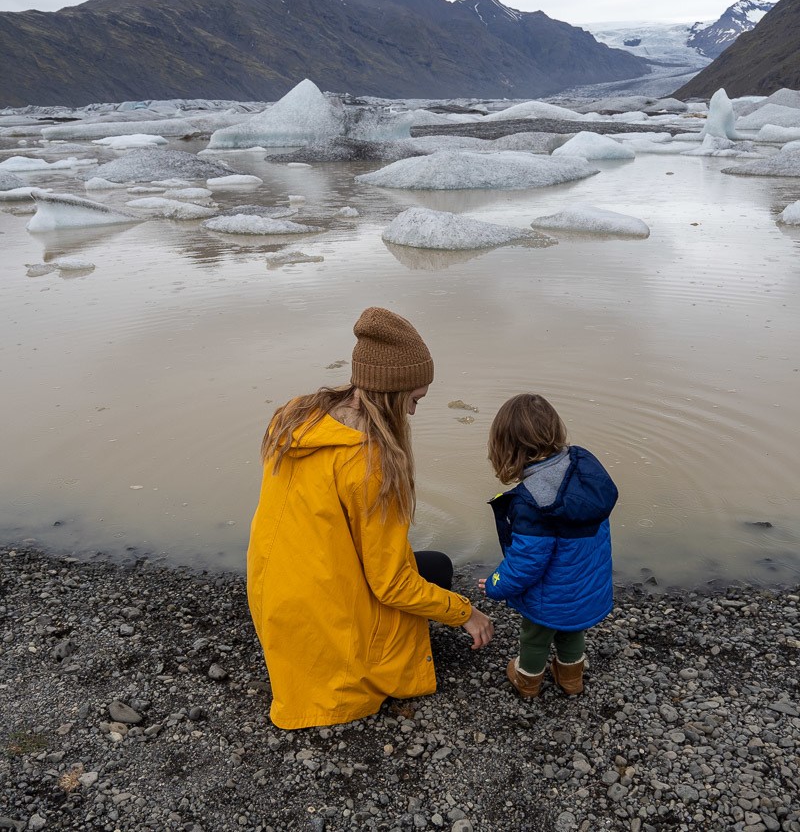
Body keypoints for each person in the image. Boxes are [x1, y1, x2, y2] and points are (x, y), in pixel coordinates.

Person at [247, 306, 494, 729]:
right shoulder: (370, 463)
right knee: (436, 572)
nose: (414, 413)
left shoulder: (298, 416)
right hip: (326, 628)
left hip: (275, 598)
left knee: (430, 564)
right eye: (414, 400)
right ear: (391, 392)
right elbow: (391, 584)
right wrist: (465, 612)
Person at [478, 393, 617, 698]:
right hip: (585, 588)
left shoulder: (533, 503)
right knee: (572, 633)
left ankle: (527, 681)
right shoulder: (585, 475)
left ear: (506, 447)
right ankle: (571, 680)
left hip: (549, 597)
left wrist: (494, 584)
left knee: (535, 637)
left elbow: (526, 563)